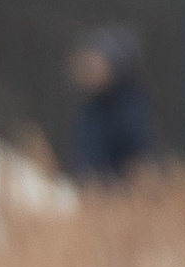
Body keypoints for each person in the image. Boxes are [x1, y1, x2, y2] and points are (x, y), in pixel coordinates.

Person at [64, 28, 153, 183]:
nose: (87, 72)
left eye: (94, 65)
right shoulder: (89, 109)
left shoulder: (130, 109)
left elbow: (138, 165)